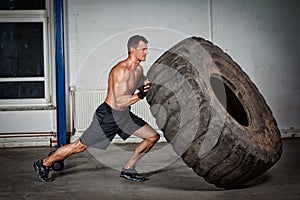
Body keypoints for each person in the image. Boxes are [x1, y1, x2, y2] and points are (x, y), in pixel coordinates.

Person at [33, 35, 160, 182]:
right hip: (108, 116)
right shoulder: (121, 71)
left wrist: (149, 85)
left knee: (152, 137)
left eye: (146, 49)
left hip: (124, 116)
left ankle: (128, 169)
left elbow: (141, 84)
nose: (146, 52)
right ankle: (44, 164)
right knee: (79, 146)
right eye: (143, 49)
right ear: (133, 50)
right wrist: (140, 95)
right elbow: (119, 101)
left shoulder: (138, 69)